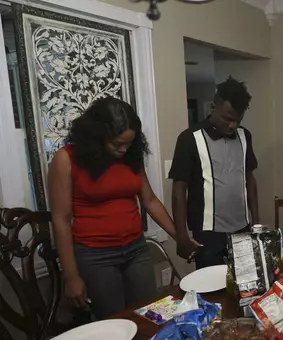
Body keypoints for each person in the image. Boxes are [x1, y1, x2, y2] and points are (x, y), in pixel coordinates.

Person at [49, 97, 177, 320]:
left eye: (129, 143)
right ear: (97, 137)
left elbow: (150, 200)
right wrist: (70, 276)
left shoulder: (130, 157)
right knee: (115, 322)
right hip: (95, 256)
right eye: (117, 144)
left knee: (149, 315)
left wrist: (179, 236)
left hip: (136, 249)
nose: (124, 149)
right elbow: (61, 219)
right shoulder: (66, 159)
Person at [169, 76, 259, 269]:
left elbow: (249, 179)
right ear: (213, 107)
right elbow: (178, 189)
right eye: (228, 118)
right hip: (208, 234)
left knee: (246, 286)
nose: (233, 125)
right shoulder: (189, 139)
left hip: (242, 229)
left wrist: (256, 222)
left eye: (238, 120)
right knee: (212, 289)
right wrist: (182, 236)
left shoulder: (245, 136)